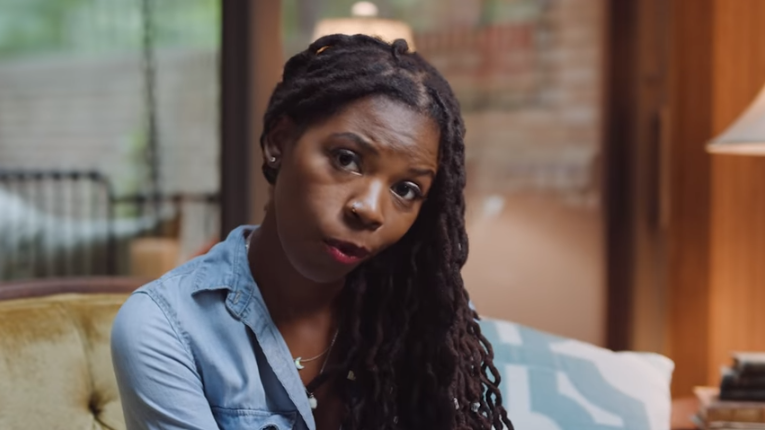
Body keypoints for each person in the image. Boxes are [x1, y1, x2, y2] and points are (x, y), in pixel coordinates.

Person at [111, 34, 514, 430]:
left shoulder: (422, 313)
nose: (369, 210)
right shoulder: (165, 327)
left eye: (405, 189)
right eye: (347, 159)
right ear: (279, 142)